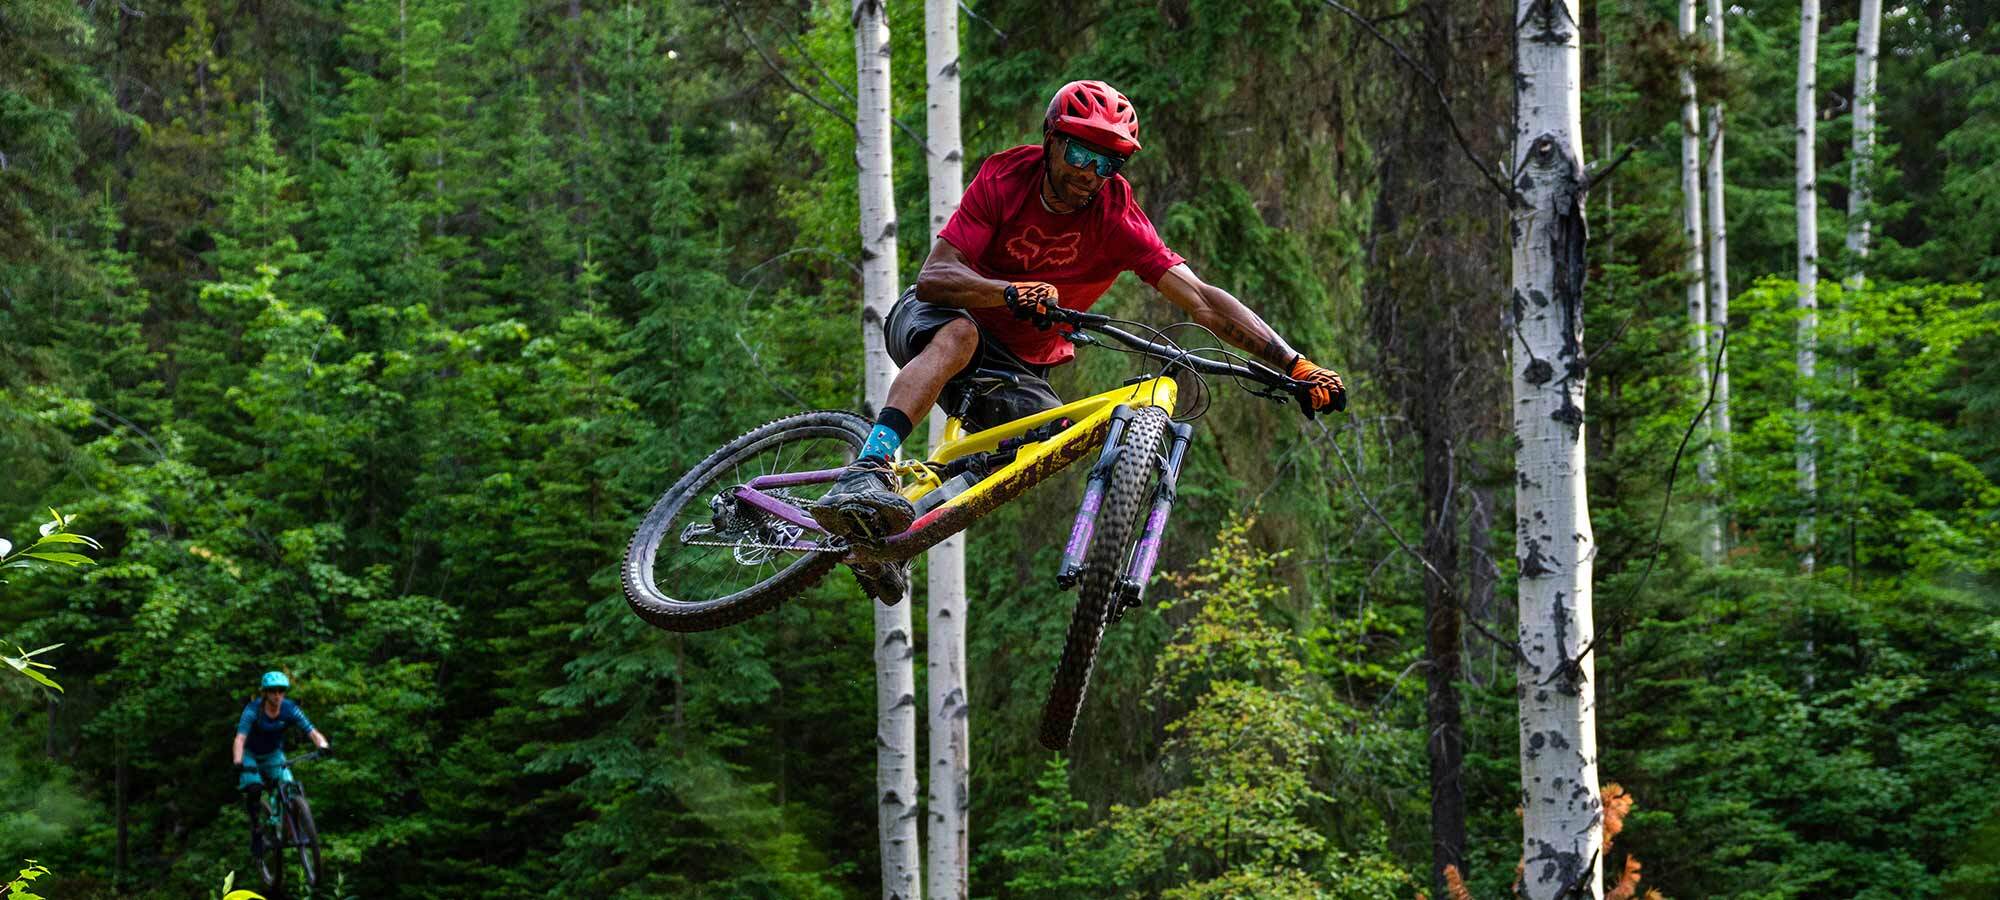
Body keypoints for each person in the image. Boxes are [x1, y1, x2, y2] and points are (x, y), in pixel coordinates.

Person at [813, 80, 1345, 599]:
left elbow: (1202, 299)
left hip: (1016, 364)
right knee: (961, 333)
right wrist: (1008, 292)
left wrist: (1293, 364)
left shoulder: (1116, 216)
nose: (1091, 174)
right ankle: (867, 467)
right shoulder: (1006, 177)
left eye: (1107, 164)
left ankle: (896, 537)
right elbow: (935, 277)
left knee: (1046, 443)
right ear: (1051, 140)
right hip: (937, 315)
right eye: (1080, 155)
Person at [232, 671, 330, 856]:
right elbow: (240, 738)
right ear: (265, 693)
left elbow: (311, 730)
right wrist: (238, 762)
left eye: (281, 691)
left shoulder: (289, 709)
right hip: (250, 754)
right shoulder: (253, 710)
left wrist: (323, 745)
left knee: (290, 787)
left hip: (273, 754)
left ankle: (293, 826)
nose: (277, 695)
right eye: (273, 691)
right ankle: (256, 831)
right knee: (254, 788)